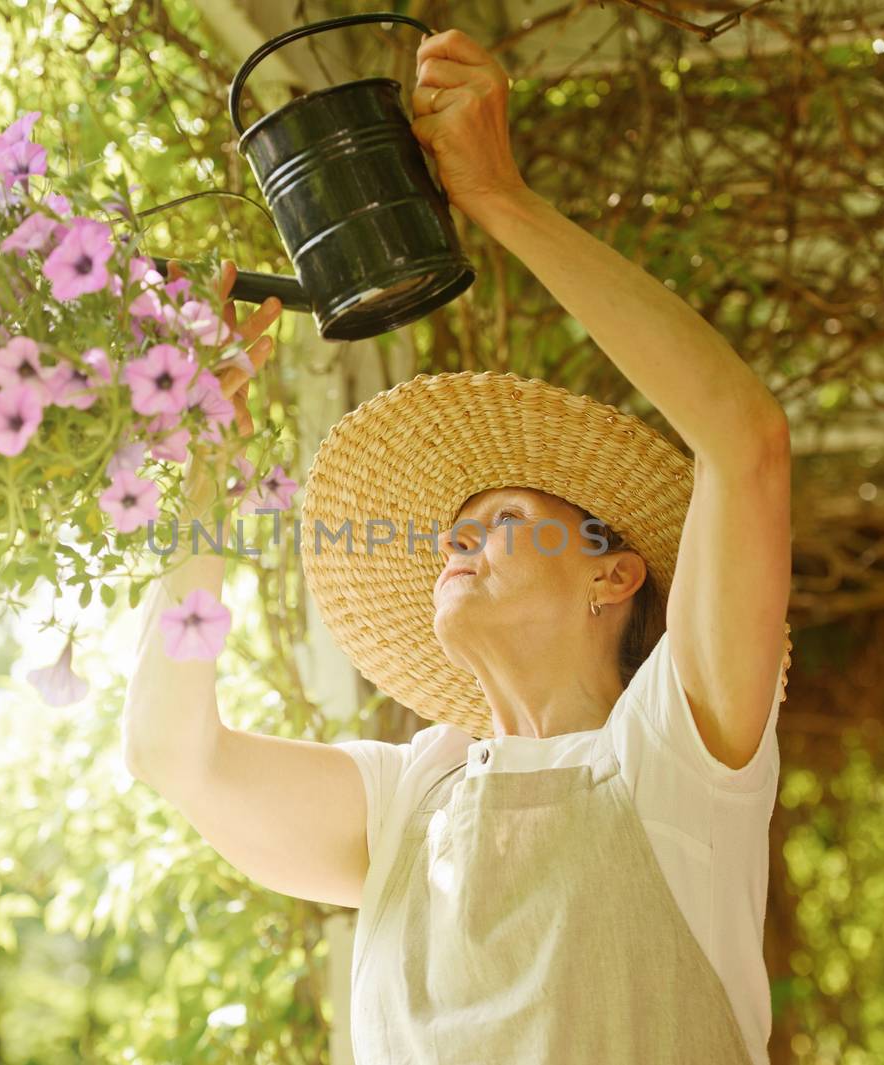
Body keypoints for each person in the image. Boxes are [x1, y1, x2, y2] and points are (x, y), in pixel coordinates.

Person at [124, 26, 793, 1065]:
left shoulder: (677, 751)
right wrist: (209, 461)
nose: (457, 540)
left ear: (613, 572)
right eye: (453, 530)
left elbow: (741, 444)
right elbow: (175, 754)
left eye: (500, 518)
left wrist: (499, 202)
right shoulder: (408, 803)